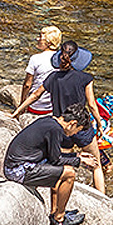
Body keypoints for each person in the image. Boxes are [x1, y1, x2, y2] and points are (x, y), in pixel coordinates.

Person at [11, 39, 106, 192]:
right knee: (96, 165)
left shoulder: (52, 78)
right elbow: (92, 105)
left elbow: (35, 95)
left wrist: (17, 111)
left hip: (61, 128)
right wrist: (100, 124)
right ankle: (103, 202)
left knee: (62, 166)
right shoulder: (85, 78)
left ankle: (58, 200)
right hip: (82, 127)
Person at [3, 105, 93, 225]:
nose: (76, 133)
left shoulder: (49, 121)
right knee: (69, 174)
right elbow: (56, 160)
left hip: (17, 165)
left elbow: (53, 157)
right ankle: (60, 219)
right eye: (78, 130)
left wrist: (76, 155)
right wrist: (79, 160)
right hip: (18, 170)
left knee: (61, 170)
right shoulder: (55, 130)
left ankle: (54, 212)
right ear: (73, 124)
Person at [19, 25, 63, 116]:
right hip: (52, 107)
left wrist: (22, 104)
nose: (37, 39)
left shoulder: (35, 59)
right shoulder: (61, 60)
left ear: (49, 43)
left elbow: (27, 85)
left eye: (41, 37)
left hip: (35, 107)